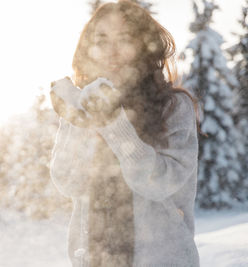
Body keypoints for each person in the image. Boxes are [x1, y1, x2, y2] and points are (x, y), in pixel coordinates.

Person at [49, 1, 202, 266]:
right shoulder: (88, 103)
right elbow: (67, 181)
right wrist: (76, 121)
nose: (112, 52)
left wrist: (114, 124)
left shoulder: (173, 106)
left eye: (125, 39)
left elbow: (159, 184)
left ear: (144, 43)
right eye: (102, 40)